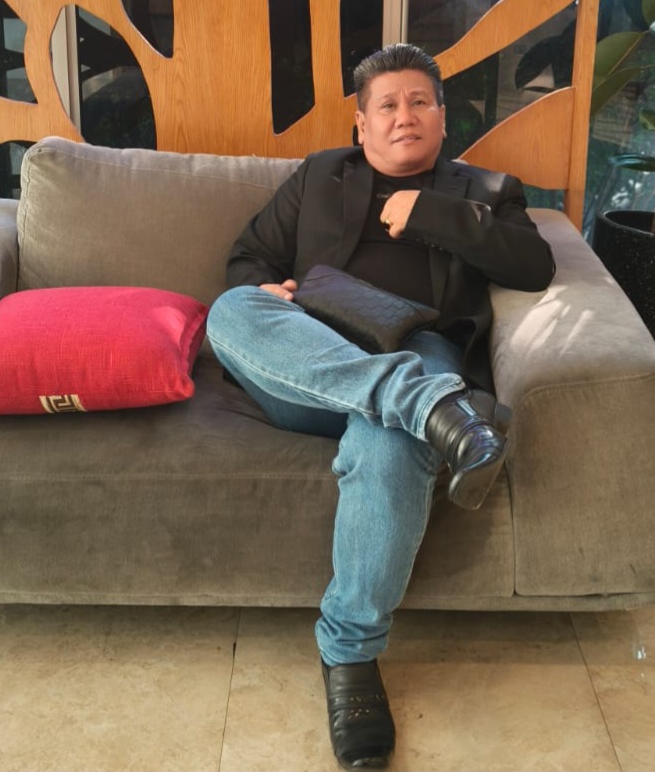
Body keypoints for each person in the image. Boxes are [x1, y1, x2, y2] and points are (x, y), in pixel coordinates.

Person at [207, 43, 555, 771]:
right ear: (361, 124)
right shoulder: (319, 174)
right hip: (307, 355)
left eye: (419, 102)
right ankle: (436, 411)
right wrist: (267, 287)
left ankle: (350, 655)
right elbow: (248, 256)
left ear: (442, 117)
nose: (405, 116)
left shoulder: (486, 190)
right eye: (387, 105)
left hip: (418, 346)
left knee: (392, 443)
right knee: (231, 309)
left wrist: (430, 212)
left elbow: (533, 265)